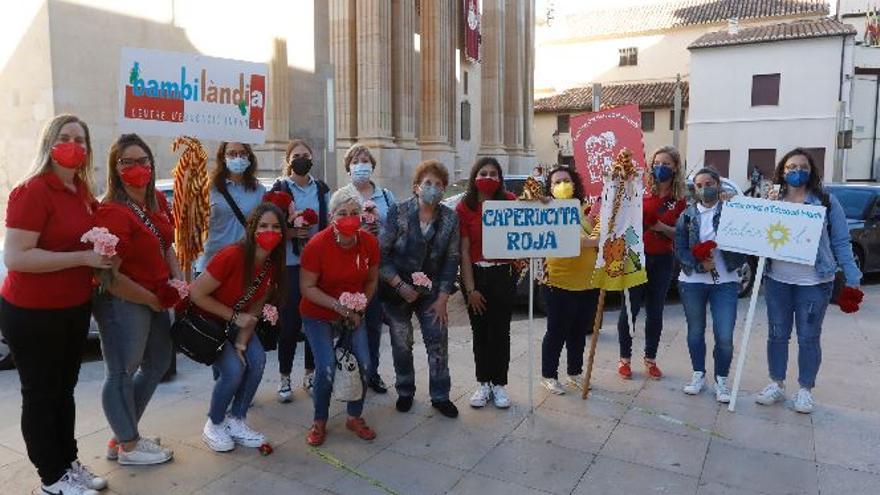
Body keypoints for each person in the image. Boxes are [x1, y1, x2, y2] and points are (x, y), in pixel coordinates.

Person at [0, 114, 110, 495]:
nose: (74, 146)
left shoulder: (81, 190)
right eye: (65, 137)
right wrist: (83, 260)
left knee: (64, 391)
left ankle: (69, 462)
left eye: (81, 140)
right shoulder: (32, 190)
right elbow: (17, 257)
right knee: (42, 394)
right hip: (33, 312)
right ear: (49, 142)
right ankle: (51, 476)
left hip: (72, 307)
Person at [93, 133, 179, 466]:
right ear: (116, 168)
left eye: (142, 161)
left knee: (157, 362)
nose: (137, 167)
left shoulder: (156, 198)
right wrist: (150, 298)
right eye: (127, 162)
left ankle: (124, 433)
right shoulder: (112, 212)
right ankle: (128, 445)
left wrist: (177, 280)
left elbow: (166, 244)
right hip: (124, 300)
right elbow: (108, 276)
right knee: (121, 372)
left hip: (155, 296)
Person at [755, 148, 862, 414]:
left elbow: (840, 241)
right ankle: (776, 384)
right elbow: (756, 230)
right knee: (777, 334)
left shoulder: (825, 202)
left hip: (814, 282)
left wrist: (853, 276)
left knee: (809, 337)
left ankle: (804, 390)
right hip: (777, 279)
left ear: (811, 171)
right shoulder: (772, 198)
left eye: (802, 167)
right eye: (791, 167)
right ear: (782, 170)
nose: (796, 172)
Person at [190, 203, 287, 452]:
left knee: (256, 360)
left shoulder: (271, 264)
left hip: (237, 323)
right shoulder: (231, 255)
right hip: (209, 323)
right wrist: (234, 318)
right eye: (263, 226)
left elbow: (256, 306)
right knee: (233, 371)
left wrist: (243, 343)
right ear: (252, 228)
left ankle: (237, 419)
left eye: (276, 227)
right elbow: (197, 294)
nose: (270, 231)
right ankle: (215, 422)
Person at [299, 188, 379, 446]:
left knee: (365, 364)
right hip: (319, 312)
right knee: (325, 368)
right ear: (332, 216)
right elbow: (307, 288)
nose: (349, 218)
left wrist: (360, 307)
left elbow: (372, 279)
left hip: (354, 313)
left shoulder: (368, 243)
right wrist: (340, 307)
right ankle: (319, 421)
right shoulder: (317, 245)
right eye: (343, 213)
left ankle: (354, 416)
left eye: (355, 213)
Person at [379, 160, 460, 417]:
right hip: (396, 290)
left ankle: (440, 395)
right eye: (428, 183)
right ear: (416, 187)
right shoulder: (399, 212)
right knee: (402, 342)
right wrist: (399, 285)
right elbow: (381, 255)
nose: (433, 188)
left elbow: (452, 259)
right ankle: (405, 390)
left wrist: (443, 298)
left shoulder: (450, 218)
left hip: (432, 291)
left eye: (438, 184)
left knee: (438, 342)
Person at [674, 167, 746, 403]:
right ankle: (698, 374)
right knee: (695, 331)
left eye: (709, 183)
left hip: (725, 282)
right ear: (694, 189)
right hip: (693, 282)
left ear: (718, 184)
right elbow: (680, 247)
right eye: (699, 185)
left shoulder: (733, 211)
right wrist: (697, 263)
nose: (705, 188)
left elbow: (746, 243)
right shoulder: (686, 216)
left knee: (724, 334)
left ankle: (721, 380)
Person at [616, 146, 686, 380]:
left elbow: (683, 234)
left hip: (663, 260)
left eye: (666, 164)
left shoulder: (681, 201)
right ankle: (624, 359)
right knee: (629, 310)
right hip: (636, 256)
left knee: (655, 312)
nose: (660, 168)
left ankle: (650, 359)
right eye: (656, 163)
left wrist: (661, 227)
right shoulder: (640, 190)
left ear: (675, 167)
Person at [271, 139, 330, 403]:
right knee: (290, 324)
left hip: (316, 266)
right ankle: (284, 378)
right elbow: (268, 223)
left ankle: (310, 374)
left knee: (314, 321)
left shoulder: (322, 189)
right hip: (291, 265)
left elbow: (329, 223)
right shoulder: (280, 189)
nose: (301, 159)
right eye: (296, 156)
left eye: (306, 155)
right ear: (288, 160)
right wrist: (291, 231)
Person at [456, 157, 518, 409]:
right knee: (480, 332)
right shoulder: (465, 207)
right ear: (474, 176)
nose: (489, 177)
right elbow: (465, 251)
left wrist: (543, 203)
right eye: (484, 172)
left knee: (501, 332)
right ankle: (483, 383)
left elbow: (530, 224)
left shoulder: (511, 202)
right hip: (477, 276)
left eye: (494, 173)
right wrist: (470, 289)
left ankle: (499, 384)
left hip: (504, 274)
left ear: (500, 178)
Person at [339, 143, 397, 393]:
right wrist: (357, 232)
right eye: (355, 161)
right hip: (349, 269)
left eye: (365, 161)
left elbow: (396, 229)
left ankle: (372, 372)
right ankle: (350, 371)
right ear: (349, 167)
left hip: (379, 267)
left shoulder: (385, 196)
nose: (361, 165)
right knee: (349, 323)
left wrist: (379, 233)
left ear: (372, 166)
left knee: (374, 324)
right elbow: (332, 232)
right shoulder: (341, 196)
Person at [539, 166, 601, 395]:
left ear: (574, 183)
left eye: (566, 180)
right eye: (556, 182)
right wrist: (596, 240)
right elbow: (572, 241)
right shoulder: (547, 211)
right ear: (550, 188)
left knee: (578, 332)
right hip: (558, 282)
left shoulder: (582, 211)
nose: (562, 185)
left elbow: (595, 233)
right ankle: (549, 375)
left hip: (587, 282)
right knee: (556, 332)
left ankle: (575, 372)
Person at [194, 142, 267, 275]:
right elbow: (194, 226)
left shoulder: (259, 191)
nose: (238, 157)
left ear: (249, 157)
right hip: (211, 262)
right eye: (232, 153)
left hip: (243, 263)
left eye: (243, 153)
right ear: (223, 157)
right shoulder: (208, 188)